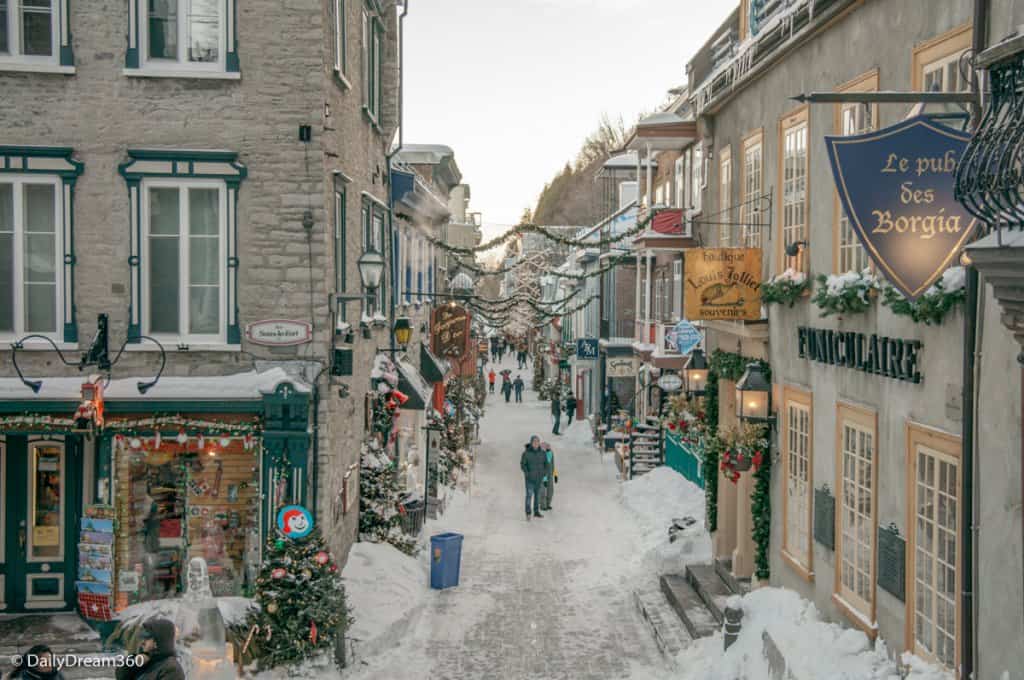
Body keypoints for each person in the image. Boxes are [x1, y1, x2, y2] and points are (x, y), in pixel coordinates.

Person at [115, 618, 185, 680]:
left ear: (158, 641)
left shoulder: (171, 669)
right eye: (143, 638)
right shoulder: (148, 662)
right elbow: (121, 676)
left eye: (147, 638)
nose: (142, 642)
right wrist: (133, 662)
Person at [520, 436, 547, 519]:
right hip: (530, 480)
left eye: (537, 442)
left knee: (537, 496)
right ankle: (528, 512)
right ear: (531, 443)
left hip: (539, 478)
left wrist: (543, 473)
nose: (536, 443)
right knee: (529, 496)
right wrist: (527, 474)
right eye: (534, 442)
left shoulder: (542, 453)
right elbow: (523, 464)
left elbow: (546, 464)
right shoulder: (526, 453)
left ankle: (536, 512)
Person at [541, 442, 557, 511]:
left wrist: (555, 474)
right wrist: (544, 479)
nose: (548, 447)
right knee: (543, 491)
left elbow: (553, 465)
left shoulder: (551, 453)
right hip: (543, 475)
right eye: (546, 446)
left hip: (550, 474)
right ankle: (543, 505)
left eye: (548, 446)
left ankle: (548, 504)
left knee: (550, 490)